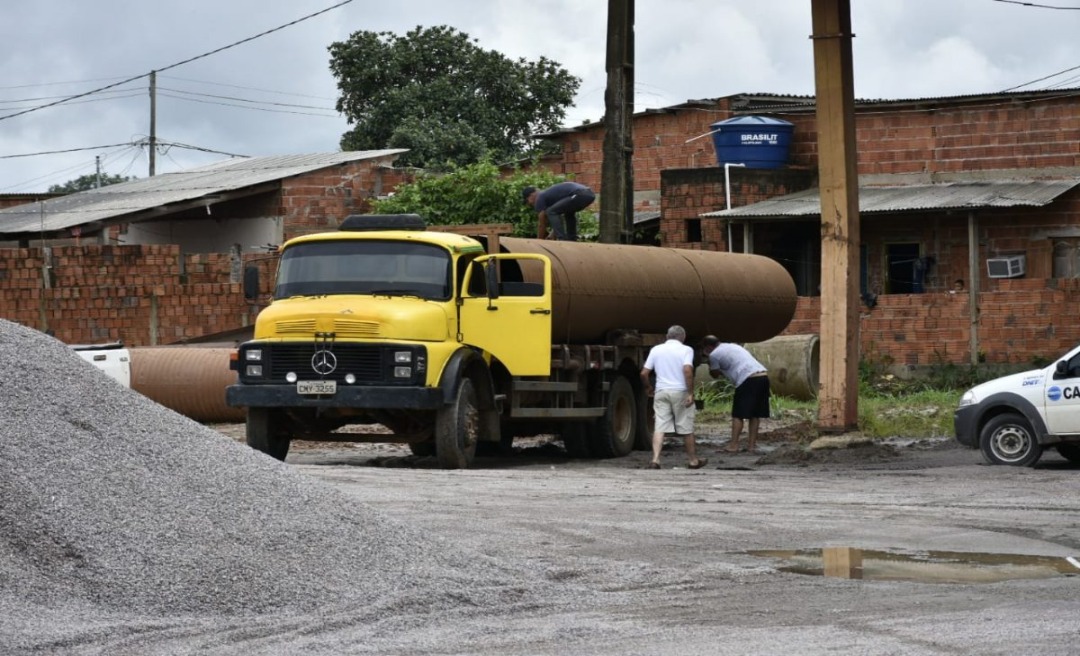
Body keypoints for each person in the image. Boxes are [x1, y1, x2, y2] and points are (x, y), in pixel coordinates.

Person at [640, 325, 707, 470]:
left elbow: (644, 373)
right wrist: (690, 392)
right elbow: (688, 370)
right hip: (680, 392)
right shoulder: (686, 350)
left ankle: (655, 460)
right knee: (686, 427)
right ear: (683, 337)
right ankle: (693, 461)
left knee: (660, 427)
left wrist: (648, 387)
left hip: (661, 391)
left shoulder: (656, 350)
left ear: (667, 336)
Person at [702, 335, 771, 454]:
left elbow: (715, 374)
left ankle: (734, 445)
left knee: (738, 415)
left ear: (708, 347)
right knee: (755, 414)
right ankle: (752, 446)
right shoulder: (733, 345)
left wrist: (708, 362)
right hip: (763, 376)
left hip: (748, 379)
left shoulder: (714, 355)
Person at [521, 181, 595, 241]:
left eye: (528, 201)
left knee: (550, 211)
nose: (530, 204)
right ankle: (572, 238)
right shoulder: (548, 195)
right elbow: (558, 220)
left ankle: (562, 239)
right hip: (589, 194)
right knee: (568, 212)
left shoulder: (539, 197)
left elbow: (542, 224)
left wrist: (538, 241)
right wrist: (551, 236)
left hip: (580, 194)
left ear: (531, 195)